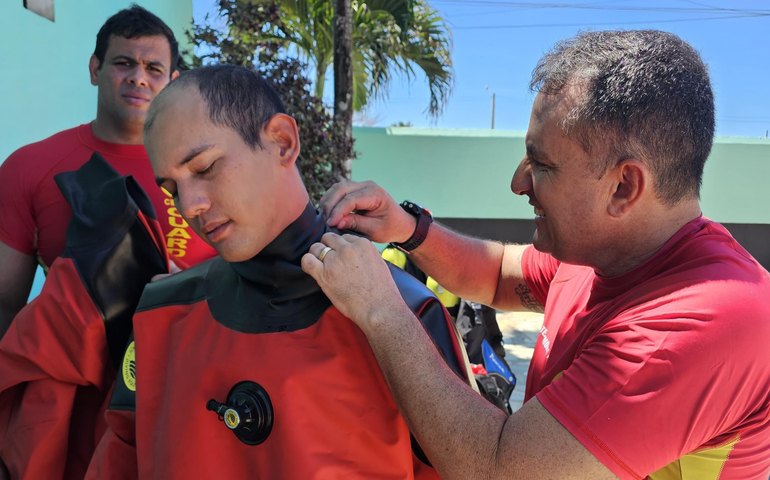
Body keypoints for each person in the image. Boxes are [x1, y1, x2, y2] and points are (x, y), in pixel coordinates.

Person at [302, 30, 770, 479]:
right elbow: (498, 275)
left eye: (542, 165)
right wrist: (408, 228)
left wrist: (380, 308)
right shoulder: (604, 252)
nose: (518, 183)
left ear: (623, 186)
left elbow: (495, 469)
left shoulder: (697, 325)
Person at [86, 64, 471, 478]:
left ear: (283, 143)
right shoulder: (161, 313)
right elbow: (119, 457)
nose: (189, 205)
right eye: (172, 188)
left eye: (205, 167)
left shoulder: (405, 313)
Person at [0, 4, 215, 337]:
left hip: (193, 375)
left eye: (153, 68)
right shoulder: (29, 167)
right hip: (74, 381)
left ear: (174, 83)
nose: (138, 77)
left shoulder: (209, 167)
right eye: (123, 63)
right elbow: (4, 305)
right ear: (95, 69)